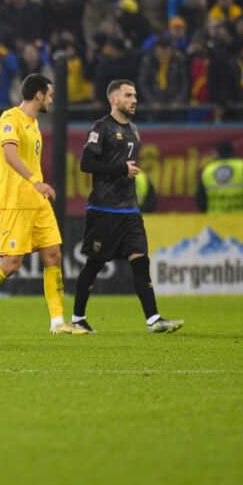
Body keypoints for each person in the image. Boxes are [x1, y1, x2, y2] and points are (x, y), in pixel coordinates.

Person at [0, 74, 85, 337]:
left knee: (53, 255)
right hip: (16, 202)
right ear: (38, 94)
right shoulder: (9, 118)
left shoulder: (35, 123)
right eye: (49, 94)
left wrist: (37, 187)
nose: (51, 99)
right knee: (11, 265)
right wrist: (35, 181)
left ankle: (58, 322)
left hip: (37, 203)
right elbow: (9, 154)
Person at [71, 80, 184, 334]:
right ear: (114, 99)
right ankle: (78, 318)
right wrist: (121, 169)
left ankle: (153, 319)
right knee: (94, 264)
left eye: (135, 95)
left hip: (130, 210)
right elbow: (86, 163)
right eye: (128, 95)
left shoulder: (134, 130)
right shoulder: (101, 128)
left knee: (141, 260)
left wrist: (124, 171)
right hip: (103, 210)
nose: (135, 100)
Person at [196, 141, 243, 213]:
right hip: (242, 219)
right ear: (232, 152)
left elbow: (200, 199)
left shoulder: (207, 170)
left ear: (216, 153)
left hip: (215, 220)